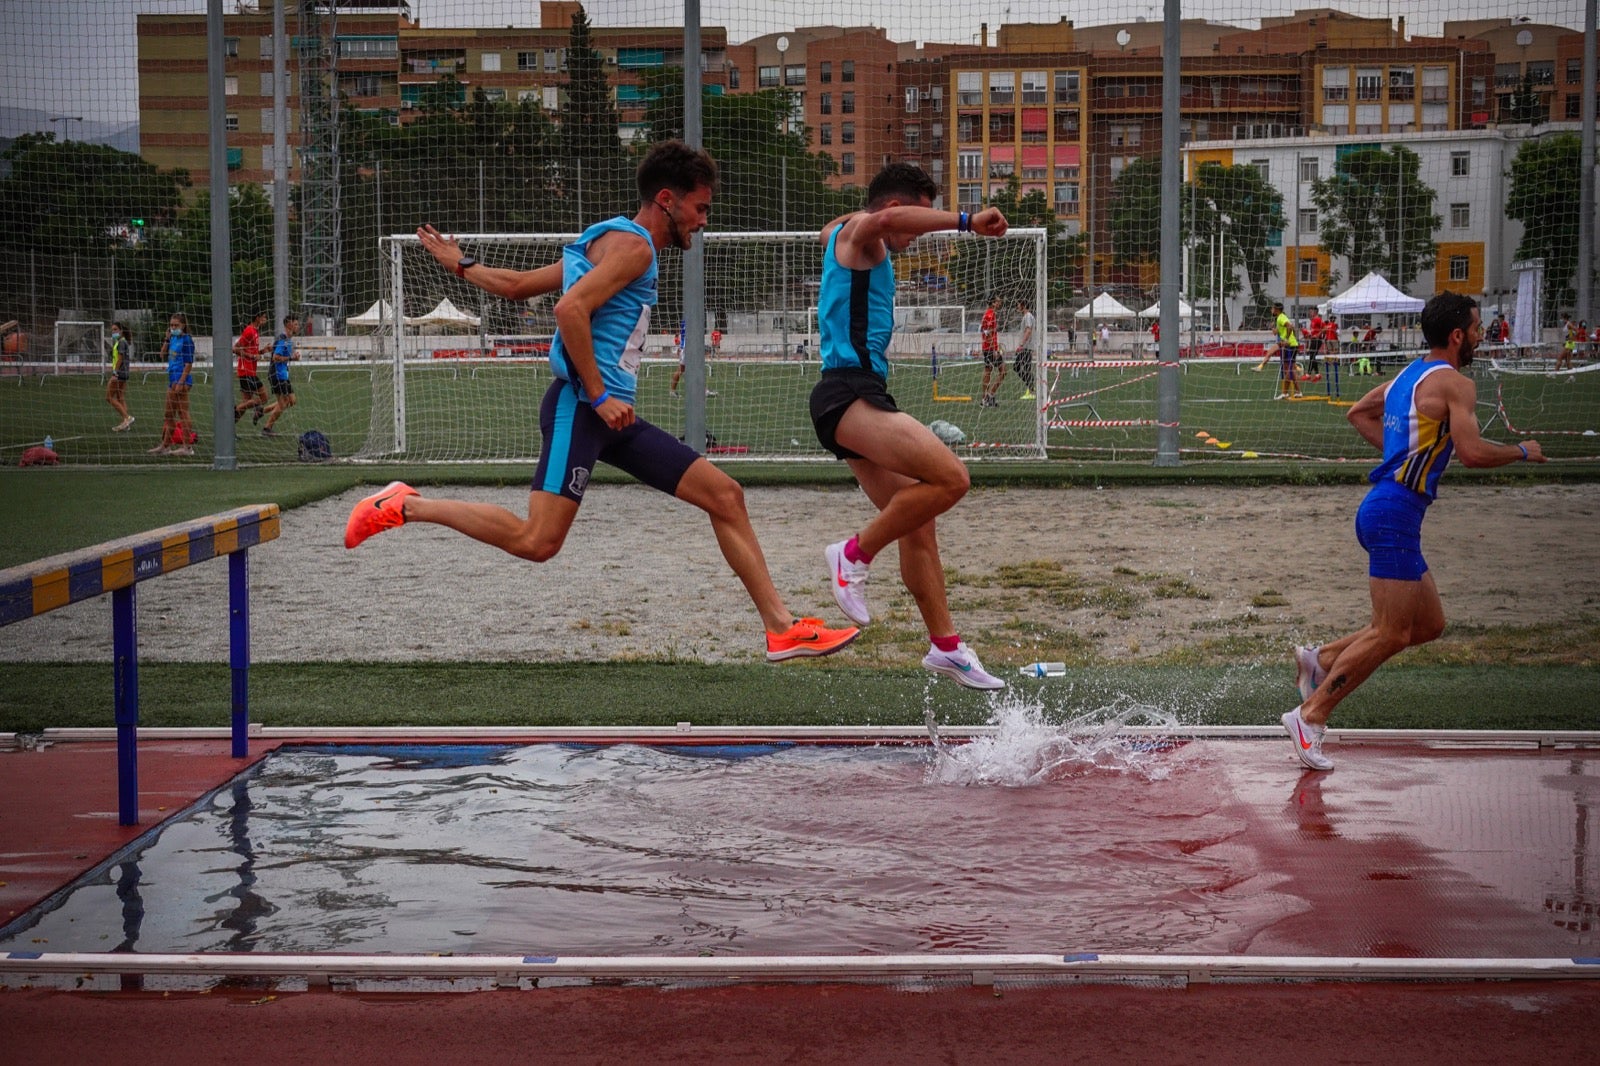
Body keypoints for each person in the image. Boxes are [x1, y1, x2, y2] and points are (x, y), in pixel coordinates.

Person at [347, 140, 857, 664]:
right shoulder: (633, 248)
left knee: (725, 495)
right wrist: (598, 393)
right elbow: (570, 310)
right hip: (581, 407)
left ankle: (781, 628)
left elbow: (520, 286)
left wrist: (463, 264)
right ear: (667, 199)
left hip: (611, 415)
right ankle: (402, 505)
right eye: (700, 208)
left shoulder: (609, 240)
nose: (703, 221)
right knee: (537, 541)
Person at [1283, 292, 1545, 771]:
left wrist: (1402, 453)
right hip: (1394, 515)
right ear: (1457, 335)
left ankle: (1318, 660)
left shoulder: (1406, 376)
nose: (1482, 335)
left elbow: (1357, 413)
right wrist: (1522, 451)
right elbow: (1470, 453)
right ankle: (1311, 715)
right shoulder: (1456, 384)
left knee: (1426, 626)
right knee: (1391, 631)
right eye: (1478, 326)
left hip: (1387, 509)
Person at [811, 162, 1009, 689]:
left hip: (853, 395)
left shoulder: (843, 230)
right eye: (917, 219)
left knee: (917, 522)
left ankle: (946, 647)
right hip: (849, 393)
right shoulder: (866, 238)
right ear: (895, 210)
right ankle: (851, 555)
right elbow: (873, 224)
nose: (921, 235)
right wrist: (966, 221)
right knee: (952, 479)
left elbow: (837, 225)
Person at [149, 312, 195, 456]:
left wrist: (181, 381)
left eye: (176, 325)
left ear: (183, 325)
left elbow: (188, 364)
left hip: (182, 380)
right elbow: (162, 354)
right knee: (168, 414)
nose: (174, 327)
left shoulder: (187, 340)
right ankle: (165, 446)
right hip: (172, 378)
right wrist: (167, 339)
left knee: (183, 413)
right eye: (172, 325)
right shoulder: (173, 338)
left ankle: (187, 447)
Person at [259, 315, 300, 436]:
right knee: (283, 403)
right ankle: (267, 428)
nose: (298, 326)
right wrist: (291, 358)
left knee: (292, 401)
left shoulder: (288, 340)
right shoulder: (282, 339)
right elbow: (275, 358)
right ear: (288, 325)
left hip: (283, 374)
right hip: (276, 374)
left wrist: (293, 356)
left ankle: (261, 411)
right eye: (296, 324)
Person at [232, 310, 270, 424]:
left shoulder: (255, 331)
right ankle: (233, 411)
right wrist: (252, 356)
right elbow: (235, 349)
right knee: (264, 398)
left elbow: (253, 352)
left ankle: (229, 430)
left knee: (245, 403)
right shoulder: (249, 330)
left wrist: (263, 351)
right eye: (263, 317)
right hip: (246, 371)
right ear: (257, 317)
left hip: (250, 371)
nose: (265, 320)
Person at [1268, 301, 1302, 398]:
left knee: (1289, 370)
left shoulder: (1281, 317)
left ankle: (1284, 392)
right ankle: (1298, 392)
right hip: (1288, 345)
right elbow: (1276, 333)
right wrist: (1272, 328)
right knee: (1289, 369)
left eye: (1273, 308)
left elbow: (1290, 326)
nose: (1271, 310)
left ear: (1277, 309)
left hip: (1290, 345)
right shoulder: (1279, 318)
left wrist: (1286, 339)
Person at [105, 321, 134, 432]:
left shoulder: (121, 343)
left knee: (108, 397)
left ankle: (127, 418)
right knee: (120, 397)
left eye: (115, 329)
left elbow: (120, 358)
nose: (113, 332)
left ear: (121, 331)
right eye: (112, 330)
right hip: (124, 373)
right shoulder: (122, 342)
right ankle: (125, 423)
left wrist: (115, 373)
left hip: (119, 374)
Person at [978, 294, 1004, 406]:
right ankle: (986, 398)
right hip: (989, 348)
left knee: (1000, 371)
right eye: (998, 301)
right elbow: (987, 333)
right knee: (996, 371)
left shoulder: (991, 314)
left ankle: (989, 396)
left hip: (990, 347)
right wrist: (994, 349)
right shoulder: (989, 315)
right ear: (993, 303)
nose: (1000, 303)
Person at [1013, 298, 1036, 401]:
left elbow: (1028, 331)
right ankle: (1031, 386)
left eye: (1018, 304)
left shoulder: (1028, 316)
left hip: (1026, 347)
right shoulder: (1027, 316)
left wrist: (1021, 344)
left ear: (1023, 305)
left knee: (1019, 367)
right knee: (1020, 367)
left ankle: (1031, 389)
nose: (1017, 306)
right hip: (1026, 347)